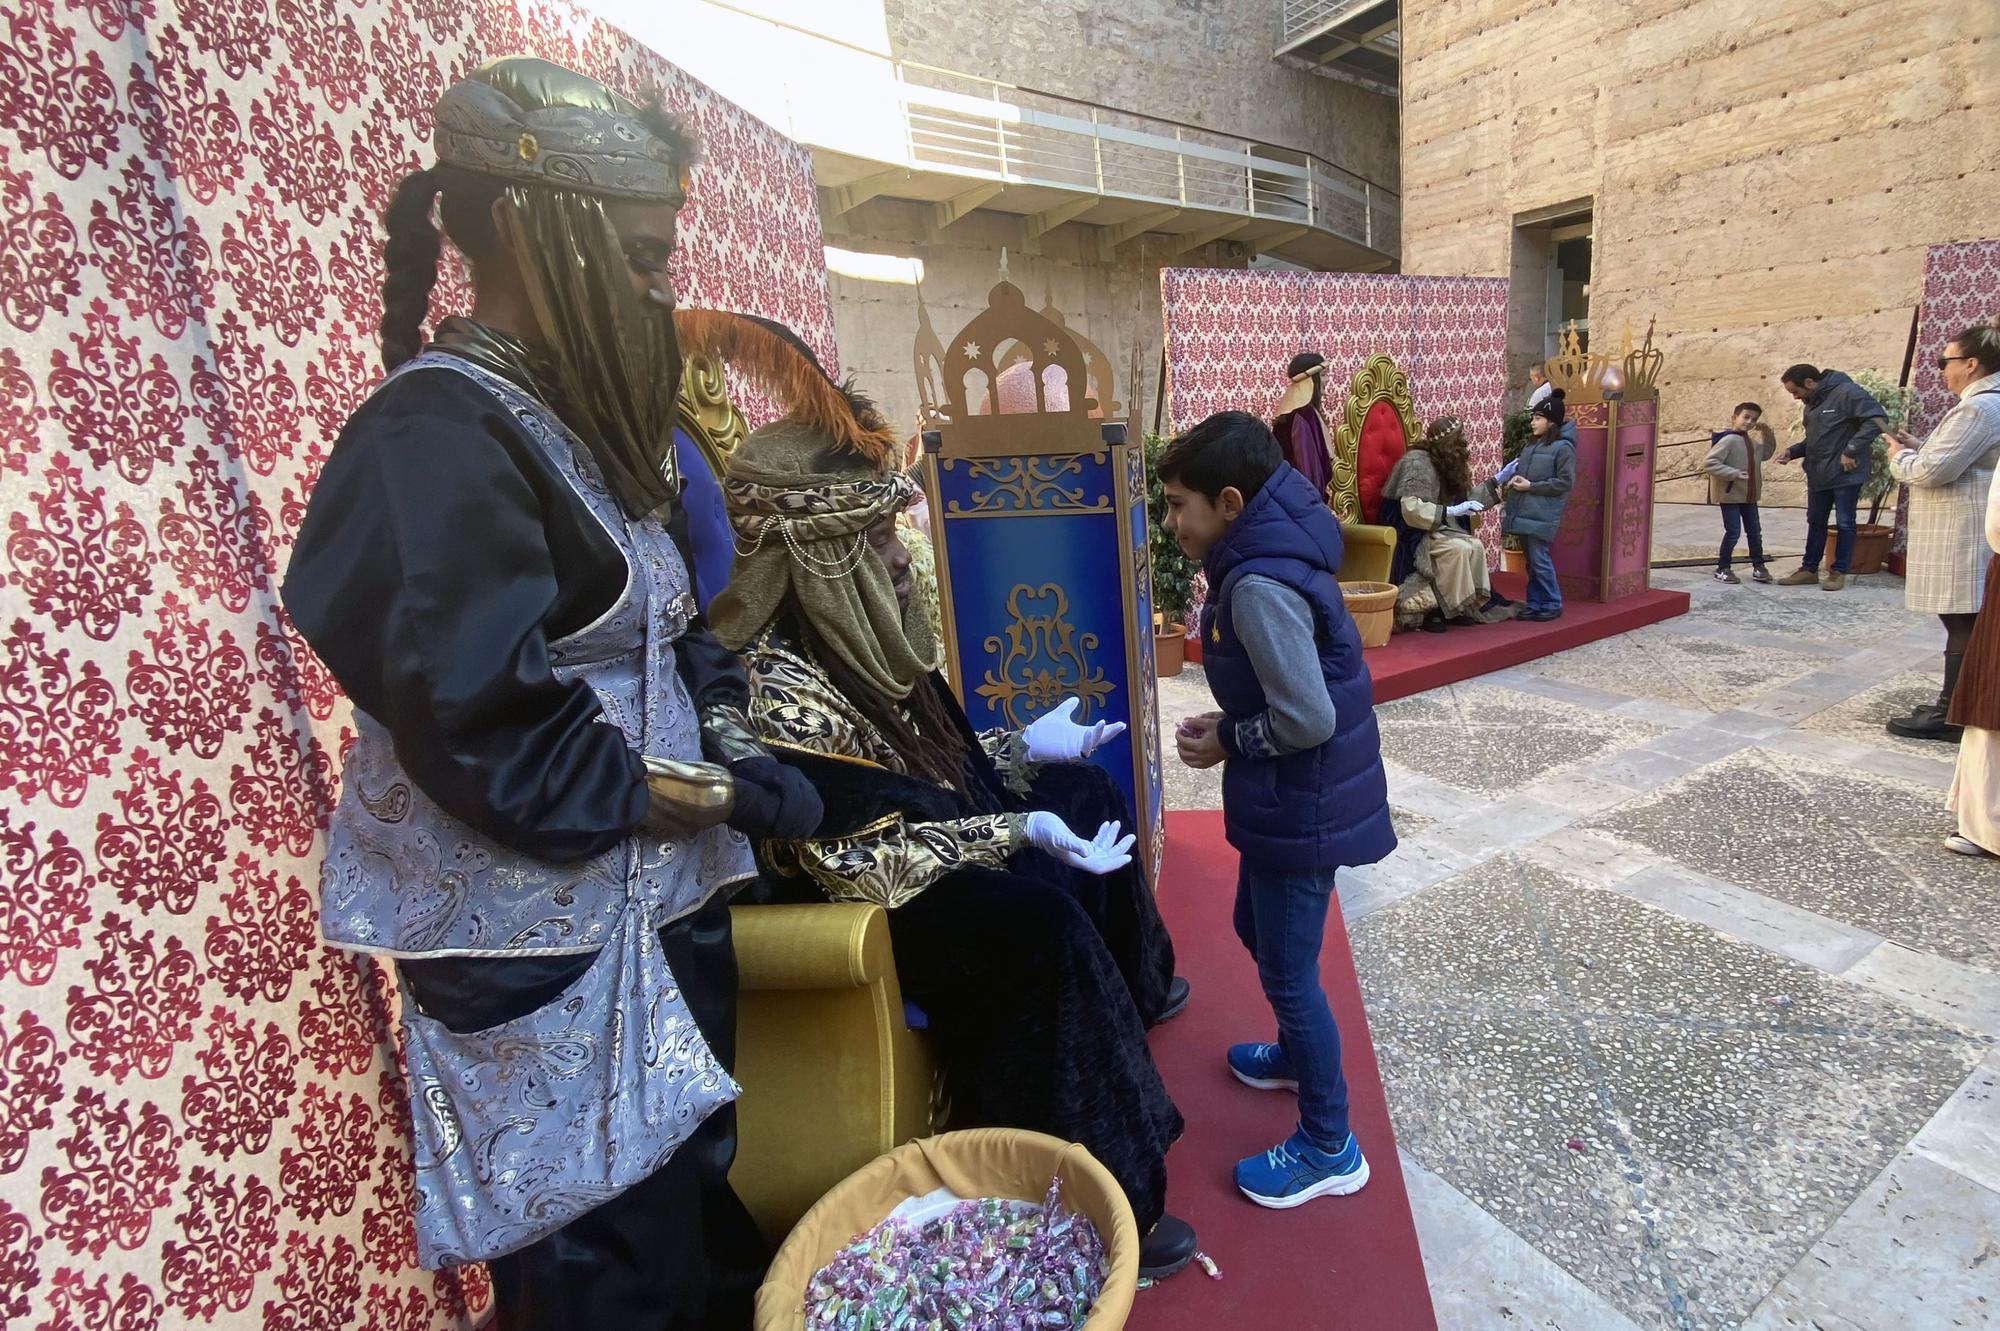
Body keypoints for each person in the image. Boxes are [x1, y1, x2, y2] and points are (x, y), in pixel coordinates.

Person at [281, 59, 823, 1331]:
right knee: (598, 1274)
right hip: (539, 940)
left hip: (655, 904)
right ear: (528, 223)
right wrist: (713, 788)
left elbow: (676, 633)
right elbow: (483, 719)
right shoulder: (431, 436)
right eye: (639, 257)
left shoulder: (571, 420)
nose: (658, 290)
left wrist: (735, 733)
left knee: (687, 1211)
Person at [684, 311, 1201, 1279]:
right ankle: (1102, 1182)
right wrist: (1010, 825)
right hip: (863, 900)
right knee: (1029, 926)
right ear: (818, 553)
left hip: (922, 846)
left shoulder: (859, 635)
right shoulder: (763, 685)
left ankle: (1130, 988)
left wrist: (1018, 751)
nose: (896, 553)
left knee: (1086, 785)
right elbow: (845, 851)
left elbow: (935, 769)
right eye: (876, 533)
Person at [1159, 411, 1397, 1210]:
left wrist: (1229, 737)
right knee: (1257, 931)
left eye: (1178, 505)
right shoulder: (1259, 557)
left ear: (1229, 502)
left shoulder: (1258, 583)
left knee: (1291, 972)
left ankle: (1331, 1144)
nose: (1171, 522)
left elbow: (1307, 719)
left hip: (1306, 797)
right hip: (1291, 794)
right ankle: (1299, 1054)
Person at [1882, 324, 2000, 741]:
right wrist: (1922, 444)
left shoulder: (1978, 408)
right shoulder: (1988, 405)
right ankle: (1960, 702)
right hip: (1973, 525)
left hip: (1962, 530)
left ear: (1971, 364)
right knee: (1966, 617)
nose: (1942, 371)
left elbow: (1933, 470)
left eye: (1944, 361)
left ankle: (1953, 711)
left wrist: (1901, 456)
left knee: (1962, 617)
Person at [1379, 416, 1509, 631]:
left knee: (1474, 545)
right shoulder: (1417, 462)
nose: (1463, 444)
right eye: (1459, 439)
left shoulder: (1448, 463)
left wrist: (1496, 481)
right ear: (1447, 442)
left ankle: (1460, 607)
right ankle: (1439, 610)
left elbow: (1467, 498)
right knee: (1456, 549)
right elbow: (1410, 508)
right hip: (1412, 531)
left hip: (1437, 525)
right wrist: (1448, 511)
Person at [1774, 363, 1889, 591]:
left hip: (1846, 472)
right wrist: (1793, 452)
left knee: (1845, 523)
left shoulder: (1847, 392)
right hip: (1819, 473)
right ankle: (1808, 570)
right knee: (1815, 520)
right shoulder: (1811, 405)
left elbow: (1877, 420)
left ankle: (1839, 572)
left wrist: (1851, 449)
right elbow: (1816, 439)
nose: (1795, 398)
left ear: (1809, 382)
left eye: (1796, 392)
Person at [1486, 389, 1577, 622]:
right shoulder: (1532, 445)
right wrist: (1517, 481)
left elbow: (1564, 482)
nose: (1532, 422)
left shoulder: (1563, 448)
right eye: (1532, 417)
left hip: (1542, 512)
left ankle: (1552, 602)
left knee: (1540, 559)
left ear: (1551, 421)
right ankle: (1536, 602)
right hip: (1525, 510)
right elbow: (1526, 476)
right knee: (1532, 561)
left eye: (1537, 418)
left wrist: (1531, 486)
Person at [1703, 402, 1776, 584]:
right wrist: (1733, 473)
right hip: (1731, 495)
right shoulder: (1728, 440)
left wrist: (1767, 433)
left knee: (1754, 531)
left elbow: (1766, 453)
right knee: (1733, 532)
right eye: (1746, 417)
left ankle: (1759, 566)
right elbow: (1709, 463)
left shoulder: (1750, 442)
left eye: (1754, 419)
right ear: (1734, 418)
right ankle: (1723, 567)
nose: (1749, 422)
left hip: (1748, 496)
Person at [1271, 351, 1334, 501]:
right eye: (1323, 375)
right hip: (1301, 500)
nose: (1327, 380)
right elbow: (1308, 469)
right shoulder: (1303, 414)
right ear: (1312, 379)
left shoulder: (1296, 412)